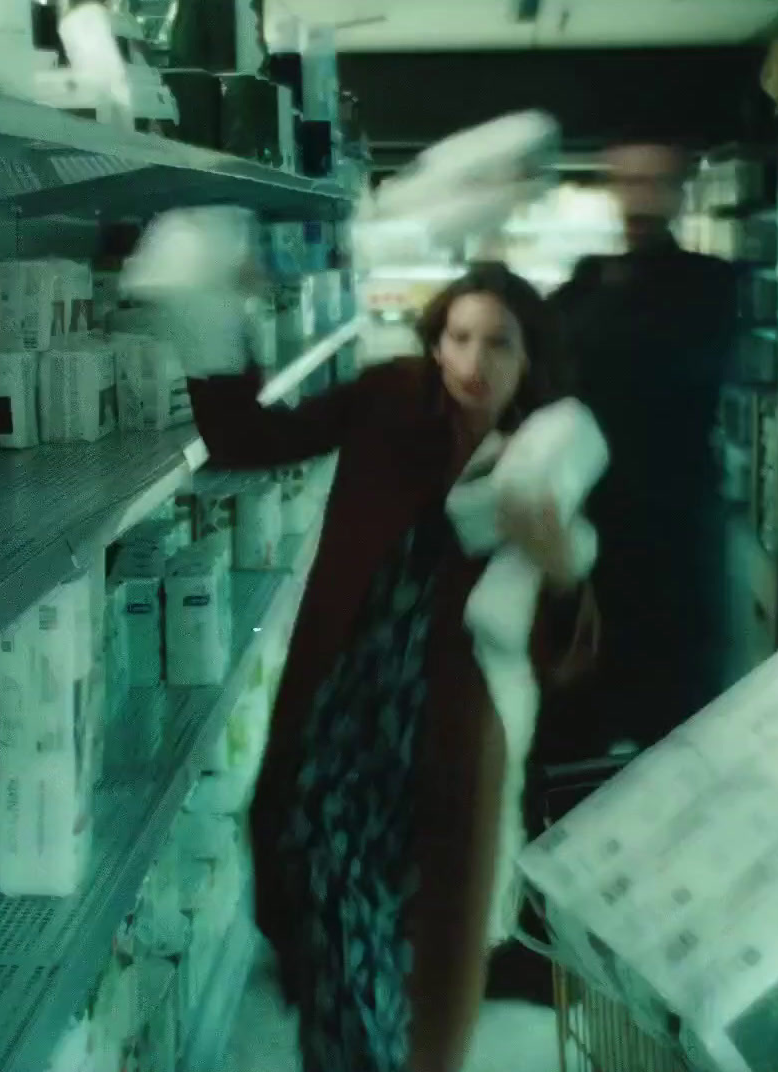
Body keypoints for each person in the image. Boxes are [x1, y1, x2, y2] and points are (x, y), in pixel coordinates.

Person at [186, 262, 599, 1072]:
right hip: (341, 729)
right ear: (436, 344)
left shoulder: (544, 461)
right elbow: (252, 439)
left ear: (529, 361)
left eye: (499, 344)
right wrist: (205, 316)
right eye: (460, 338)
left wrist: (559, 570)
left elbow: (567, 653)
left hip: (445, 755)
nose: (474, 360)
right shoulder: (389, 404)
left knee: (425, 972)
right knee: (336, 944)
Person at [544, 143, 739, 762]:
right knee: (579, 720)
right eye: (628, 182)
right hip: (596, 534)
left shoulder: (711, 285)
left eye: (655, 183)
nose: (640, 198)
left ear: (682, 192)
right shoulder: (585, 283)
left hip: (675, 542)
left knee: (679, 727)